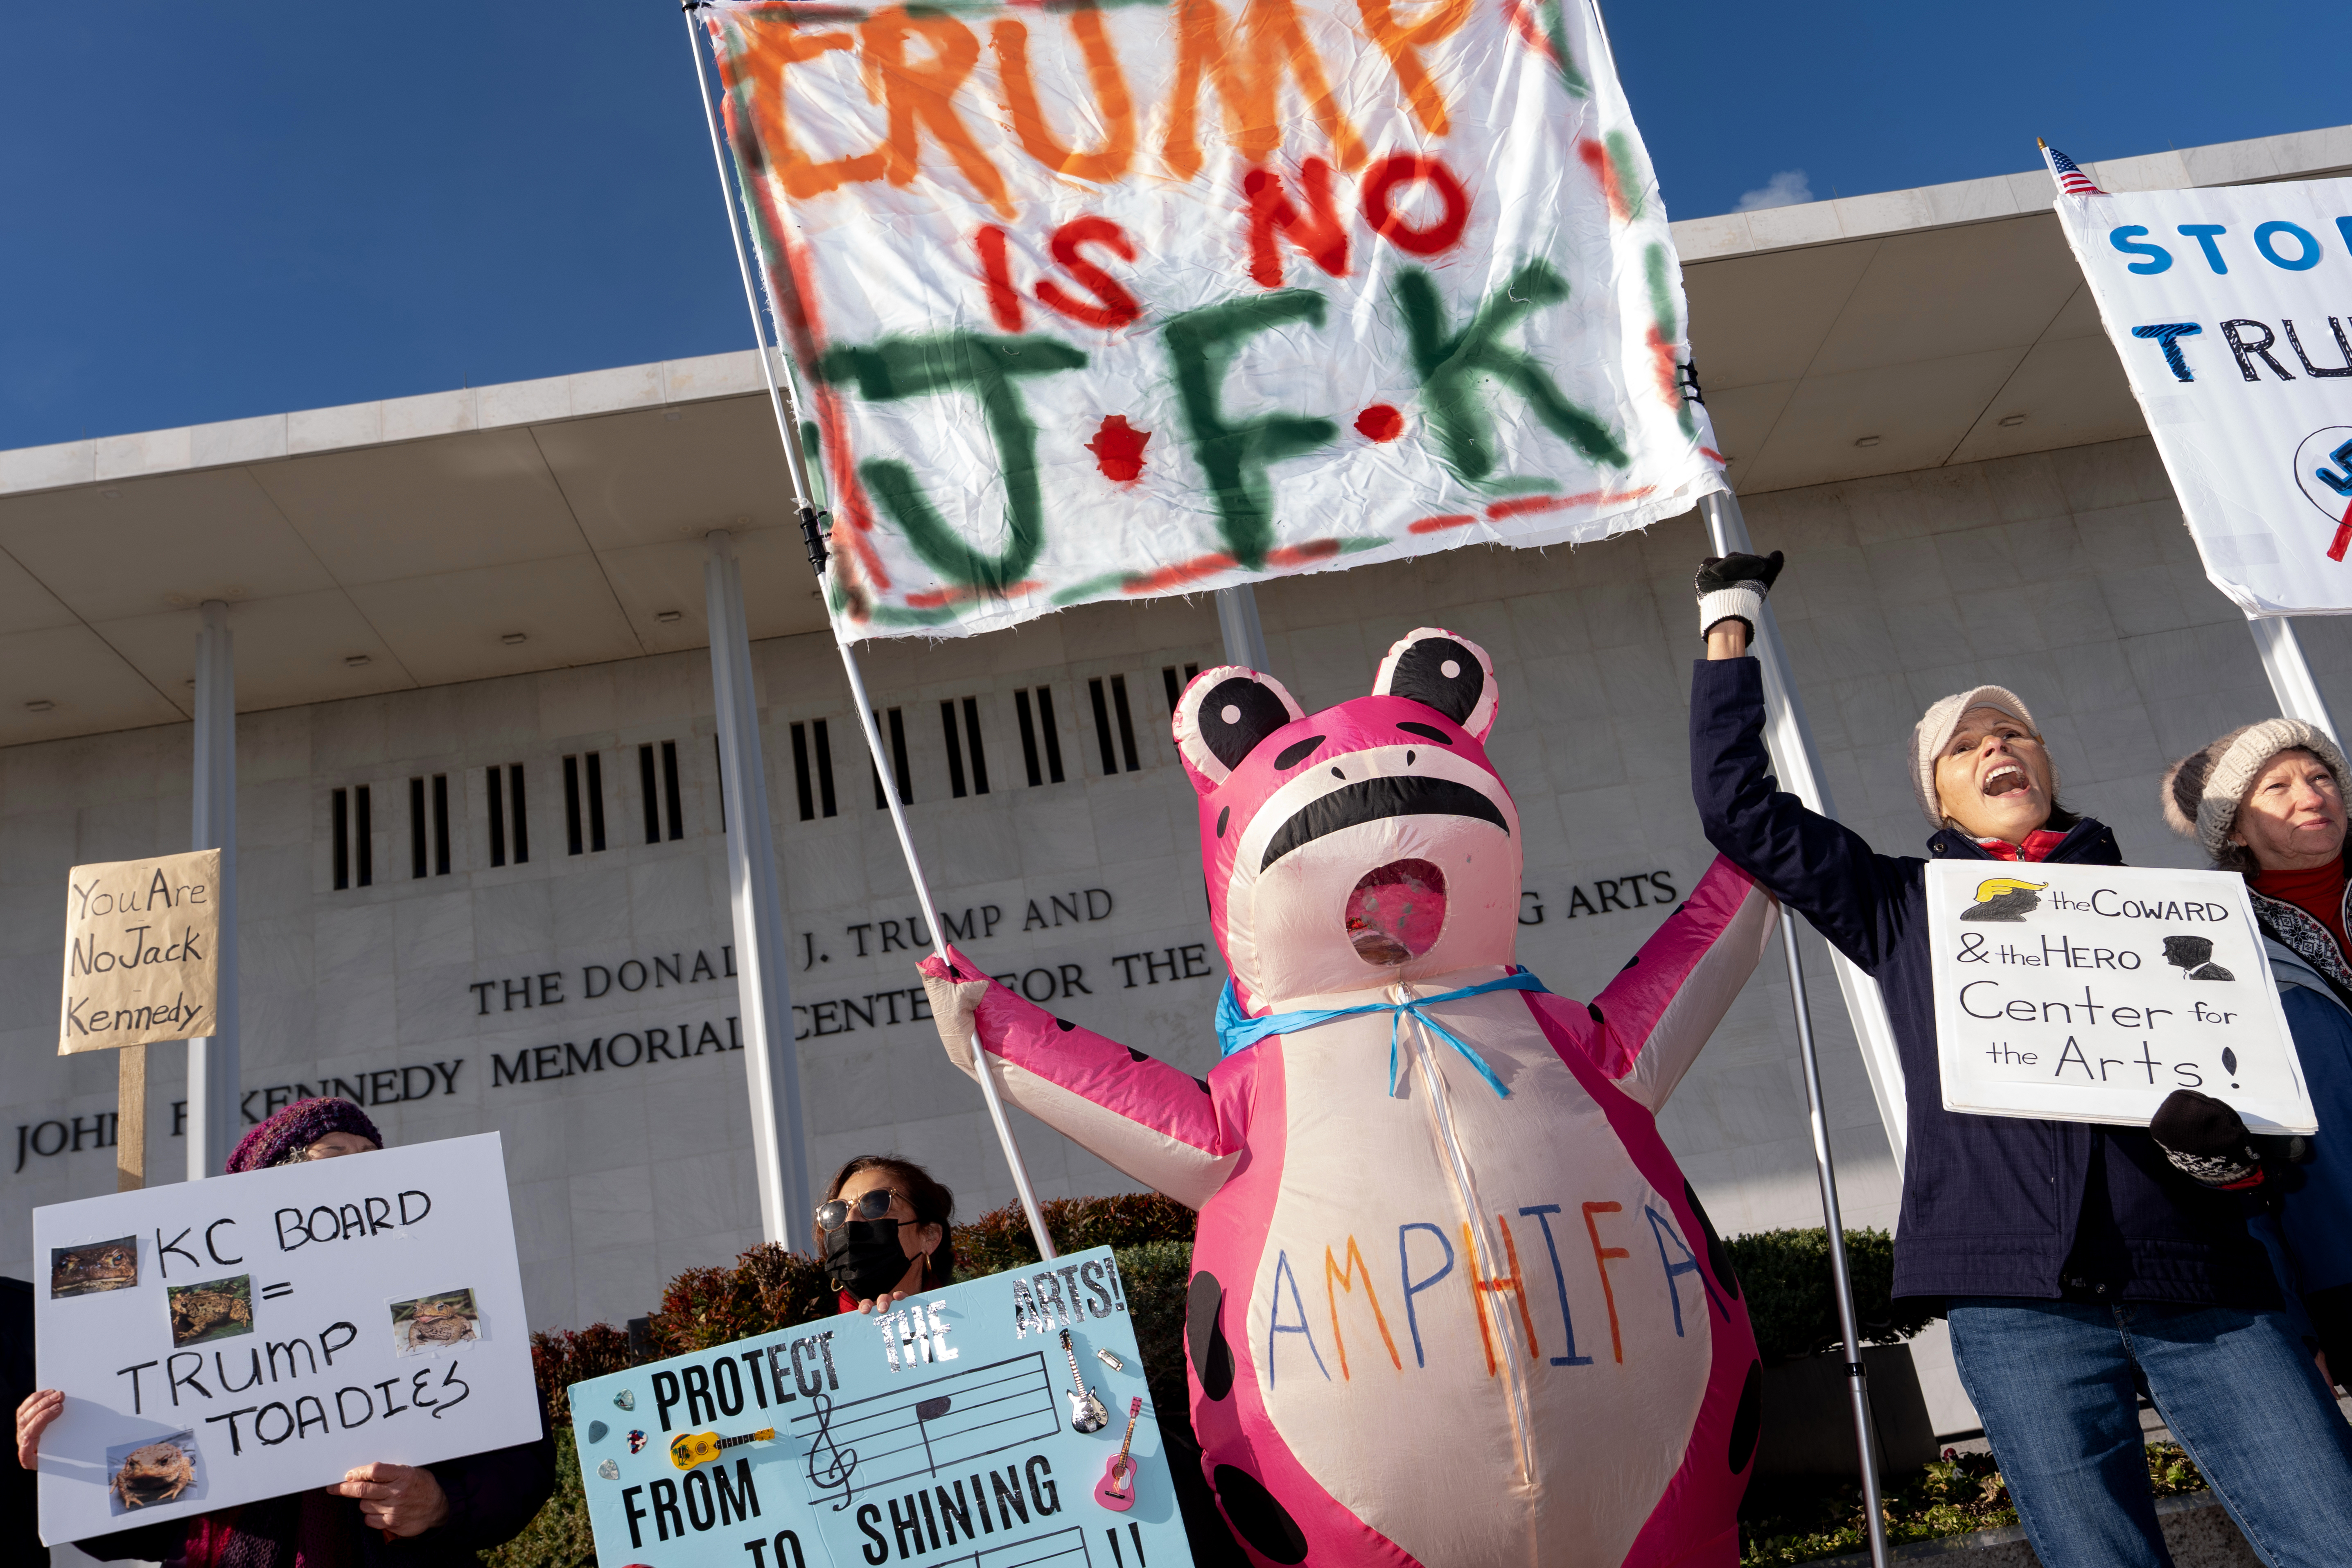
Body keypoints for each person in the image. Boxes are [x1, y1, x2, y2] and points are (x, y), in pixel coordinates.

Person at [1690, 551, 2352, 1567]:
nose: (1995, 745)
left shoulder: (2169, 915)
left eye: (2013, 734)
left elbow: (2263, 1129)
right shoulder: (1899, 905)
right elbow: (1739, 811)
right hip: (2014, 1304)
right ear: (1941, 800)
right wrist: (1727, 628)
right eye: (1965, 745)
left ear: (2044, 769)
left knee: (2330, 1534)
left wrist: (2229, 1161)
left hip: (2205, 1287)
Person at [16, 1097, 555, 1566]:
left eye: (374, 1159)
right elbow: (146, 1523)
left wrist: (440, 1502)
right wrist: (81, 1463)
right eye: (334, 1155)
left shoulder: (430, 1305)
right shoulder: (206, 1317)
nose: (359, 1174)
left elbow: (517, 1458)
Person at [2160, 720, 2352, 1385]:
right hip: (2341, 1264)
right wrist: (2297, 1320)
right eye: (2278, 786)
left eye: (2322, 776)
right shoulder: (2214, 962)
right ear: (2234, 831)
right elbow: (2229, 1156)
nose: (2311, 793)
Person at [818, 1155, 953, 1315]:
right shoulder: (815, 1333)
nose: (850, 1221)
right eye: (837, 1213)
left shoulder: (974, 1313)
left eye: (876, 1205)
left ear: (930, 1236)